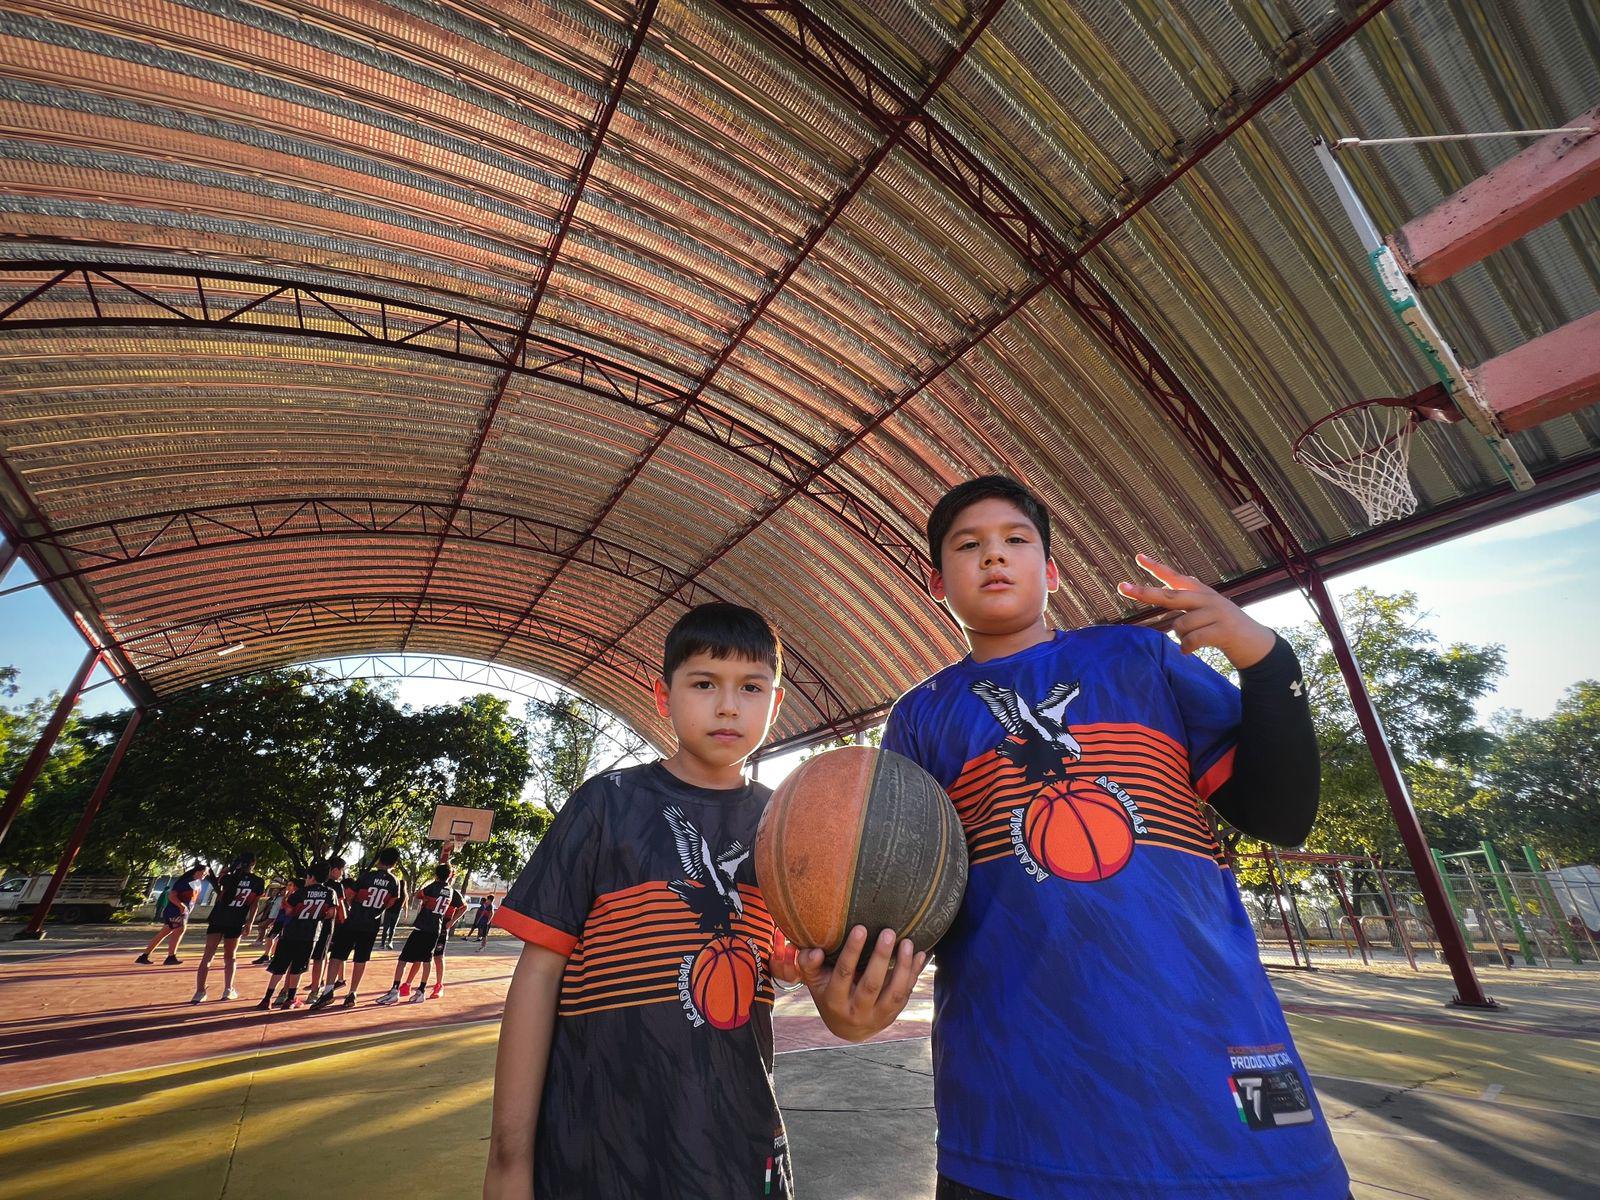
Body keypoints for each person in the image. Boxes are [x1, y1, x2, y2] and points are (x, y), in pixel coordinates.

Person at [808, 475, 1347, 1200]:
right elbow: (911, 897)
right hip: (1014, 1105)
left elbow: (1281, 815)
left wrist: (1268, 660)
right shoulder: (921, 717)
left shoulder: (1139, 660)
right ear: (937, 582)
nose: (993, 557)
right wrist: (856, 992)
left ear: (1051, 572)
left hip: (1220, 1059)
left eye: (1015, 541)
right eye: (969, 546)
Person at [481, 603, 921, 1199]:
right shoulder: (606, 805)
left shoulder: (790, 826)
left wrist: (813, 973)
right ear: (663, 696)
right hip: (595, 1143)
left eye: (750, 687)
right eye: (704, 683)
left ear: (774, 700)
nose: (727, 705)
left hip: (736, 1146)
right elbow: (537, 975)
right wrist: (509, 1158)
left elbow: (826, 988)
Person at [308, 847, 403, 1010]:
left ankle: (328, 991)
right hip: (371, 925)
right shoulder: (394, 881)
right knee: (361, 959)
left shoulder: (367, 876)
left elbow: (351, 894)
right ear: (395, 862)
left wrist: (355, 906)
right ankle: (352, 993)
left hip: (354, 920)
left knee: (337, 956)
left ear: (380, 859)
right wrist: (377, 910)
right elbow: (392, 901)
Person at [376, 862, 464, 1004]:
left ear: (436, 874)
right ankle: (421, 990)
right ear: (450, 875)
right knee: (426, 960)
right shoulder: (451, 891)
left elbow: (418, 895)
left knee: (403, 959)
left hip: (422, 926)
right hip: (436, 928)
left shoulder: (433, 887)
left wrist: (426, 899)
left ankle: (394, 990)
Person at [257, 861, 339, 1011]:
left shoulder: (300, 893)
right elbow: (331, 913)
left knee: (280, 966)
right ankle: (290, 999)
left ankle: (267, 998)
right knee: (298, 967)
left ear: (311, 876)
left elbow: (287, 911)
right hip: (310, 935)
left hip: (290, 933)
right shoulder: (330, 893)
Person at [192, 851, 264, 1002]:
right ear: (253, 864)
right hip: (235, 920)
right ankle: (228, 989)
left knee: (207, 955)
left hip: (218, 918)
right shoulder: (257, 881)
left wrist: (227, 870)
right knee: (230, 956)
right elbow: (255, 904)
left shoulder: (228, 878)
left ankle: (199, 992)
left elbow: (221, 884)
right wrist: (250, 922)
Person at [136, 862, 209, 966]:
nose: (205, 875)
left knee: (164, 933)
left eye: (206, 874)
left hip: (183, 911)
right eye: (204, 873)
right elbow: (172, 896)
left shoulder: (197, 883)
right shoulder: (185, 881)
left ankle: (144, 956)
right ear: (197, 872)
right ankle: (171, 956)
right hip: (175, 911)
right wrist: (181, 906)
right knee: (179, 930)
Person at [302, 856, 346, 1003]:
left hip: (308, 923)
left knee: (307, 956)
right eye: (341, 870)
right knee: (320, 958)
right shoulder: (336, 887)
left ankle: (289, 990)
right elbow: (340, 908)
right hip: (327, 925)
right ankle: (315, 990)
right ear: (334, 870)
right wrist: (345, 922)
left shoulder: (313, 883)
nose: (342, 873)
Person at [380, 875, 407, 949]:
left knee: (385, 927)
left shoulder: (394, 892)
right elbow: (405, 905)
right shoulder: (405, 895)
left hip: (389, 910)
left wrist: (384, 908)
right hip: (397, 912)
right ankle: (390, 942)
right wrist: (406, 913)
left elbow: (389, 901)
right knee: (393, 928)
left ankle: (382, 944)